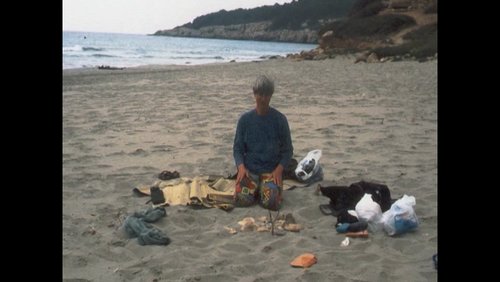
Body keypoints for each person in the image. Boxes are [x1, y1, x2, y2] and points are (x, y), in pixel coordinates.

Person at [233, 75, 293, 211]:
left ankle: (265, 190)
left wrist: (279, 170)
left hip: (271, 172)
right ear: (254, 94)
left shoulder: (280, 120)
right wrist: (241, 168)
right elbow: (237, 149)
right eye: (260, 94)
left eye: (267, 95)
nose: (263, 99)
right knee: (240, 200)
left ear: (271, 95)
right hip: (250, 171)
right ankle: (255, 190)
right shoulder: (245, 120)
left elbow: (288, 150)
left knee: (271, 202)